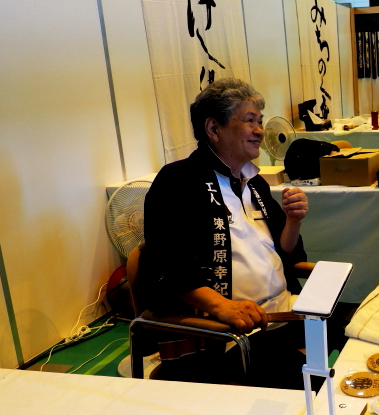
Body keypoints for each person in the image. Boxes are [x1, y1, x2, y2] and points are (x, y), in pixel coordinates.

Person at [143, 78, 336, 388]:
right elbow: (169, 267)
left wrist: (293, 221)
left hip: (284, 314)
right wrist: (222, 306)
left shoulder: (255, 182)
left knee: (366, 331)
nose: (259, 130)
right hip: (232, 332)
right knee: (323, 389)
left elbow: (287, 254)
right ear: (213, 128)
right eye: (249, 121)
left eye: (260, 121)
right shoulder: (178, 180)